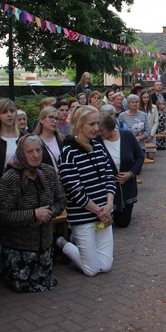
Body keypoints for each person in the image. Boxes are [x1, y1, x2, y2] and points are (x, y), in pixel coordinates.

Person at [0, 134, 66, 292]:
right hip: (19, 247)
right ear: (21, 153)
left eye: (38, 150)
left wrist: (48, 213)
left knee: (44, 283)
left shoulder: (48, 172)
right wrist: (33, 214)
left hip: (44, 245)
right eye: (30, 151)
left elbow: (61, 200)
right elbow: (4, 214)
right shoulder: (10, 178)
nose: (35, 155)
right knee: (22, 286)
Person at [56, 106, 117, 276]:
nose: (96, 128)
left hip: (103, 214)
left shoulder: (98, 146)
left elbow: (109, 177)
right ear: (79, 125)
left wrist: (109, 205)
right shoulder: (68, 153)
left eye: (97, 123)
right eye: (92, 124)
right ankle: (63, 244)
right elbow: (74, 191)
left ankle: (86, 253)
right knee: (91, 270)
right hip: (83, 216)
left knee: (105, 267)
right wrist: (99, 211)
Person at [97, 113, 144, 228]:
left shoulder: (127, 135)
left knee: (123, 223)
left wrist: (130, 173)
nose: (98, 133)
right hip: (106, 189)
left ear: (111, 128)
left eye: (101, 130)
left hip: (126, 186)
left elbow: (140, 157)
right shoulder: (96, 141)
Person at [0, 98, 25, 190]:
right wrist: (4, 186)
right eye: (4, 112)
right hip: (3, 188)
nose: (9, 115)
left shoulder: (24, 137)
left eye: (12, 111)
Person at [139, 89, 158, 160]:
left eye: (147, 97)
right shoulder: (138, 108)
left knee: (151, 156)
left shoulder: (154, 107)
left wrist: (151, 134)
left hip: (151, 133)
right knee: (143, 156)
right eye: (144, 97)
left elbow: (156, 122)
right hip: (141, 134)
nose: (146, 99)